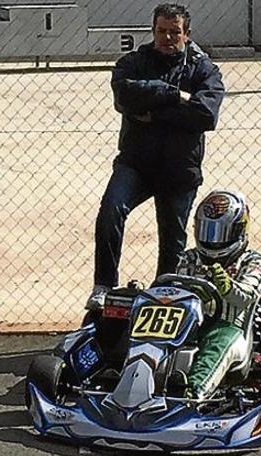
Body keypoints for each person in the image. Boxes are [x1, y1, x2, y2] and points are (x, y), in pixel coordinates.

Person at [86, 3, 225, 310]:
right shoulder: (134, 61)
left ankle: (163, 297)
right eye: (161, 31)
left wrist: (154, 114)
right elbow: (124, 95)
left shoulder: (204, 69)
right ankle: (104, 286)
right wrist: (173, 95)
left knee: (172, 241)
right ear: (153, 30)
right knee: (111, 211)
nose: (167, 37)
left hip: (179, 170)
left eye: (174, 32)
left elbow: (205, 115)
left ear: (186, 34)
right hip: (137, 163)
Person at [175, 189, 261, 400]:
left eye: (220, 233)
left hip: (230, 329)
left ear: (239, 230)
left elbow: (245, 297)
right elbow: (177, 289)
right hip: (189, 326)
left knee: (217, 344)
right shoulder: (190, 258)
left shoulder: (255, 263)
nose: (213, 240)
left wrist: (226, 287)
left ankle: (193, 394)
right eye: (208, 231)